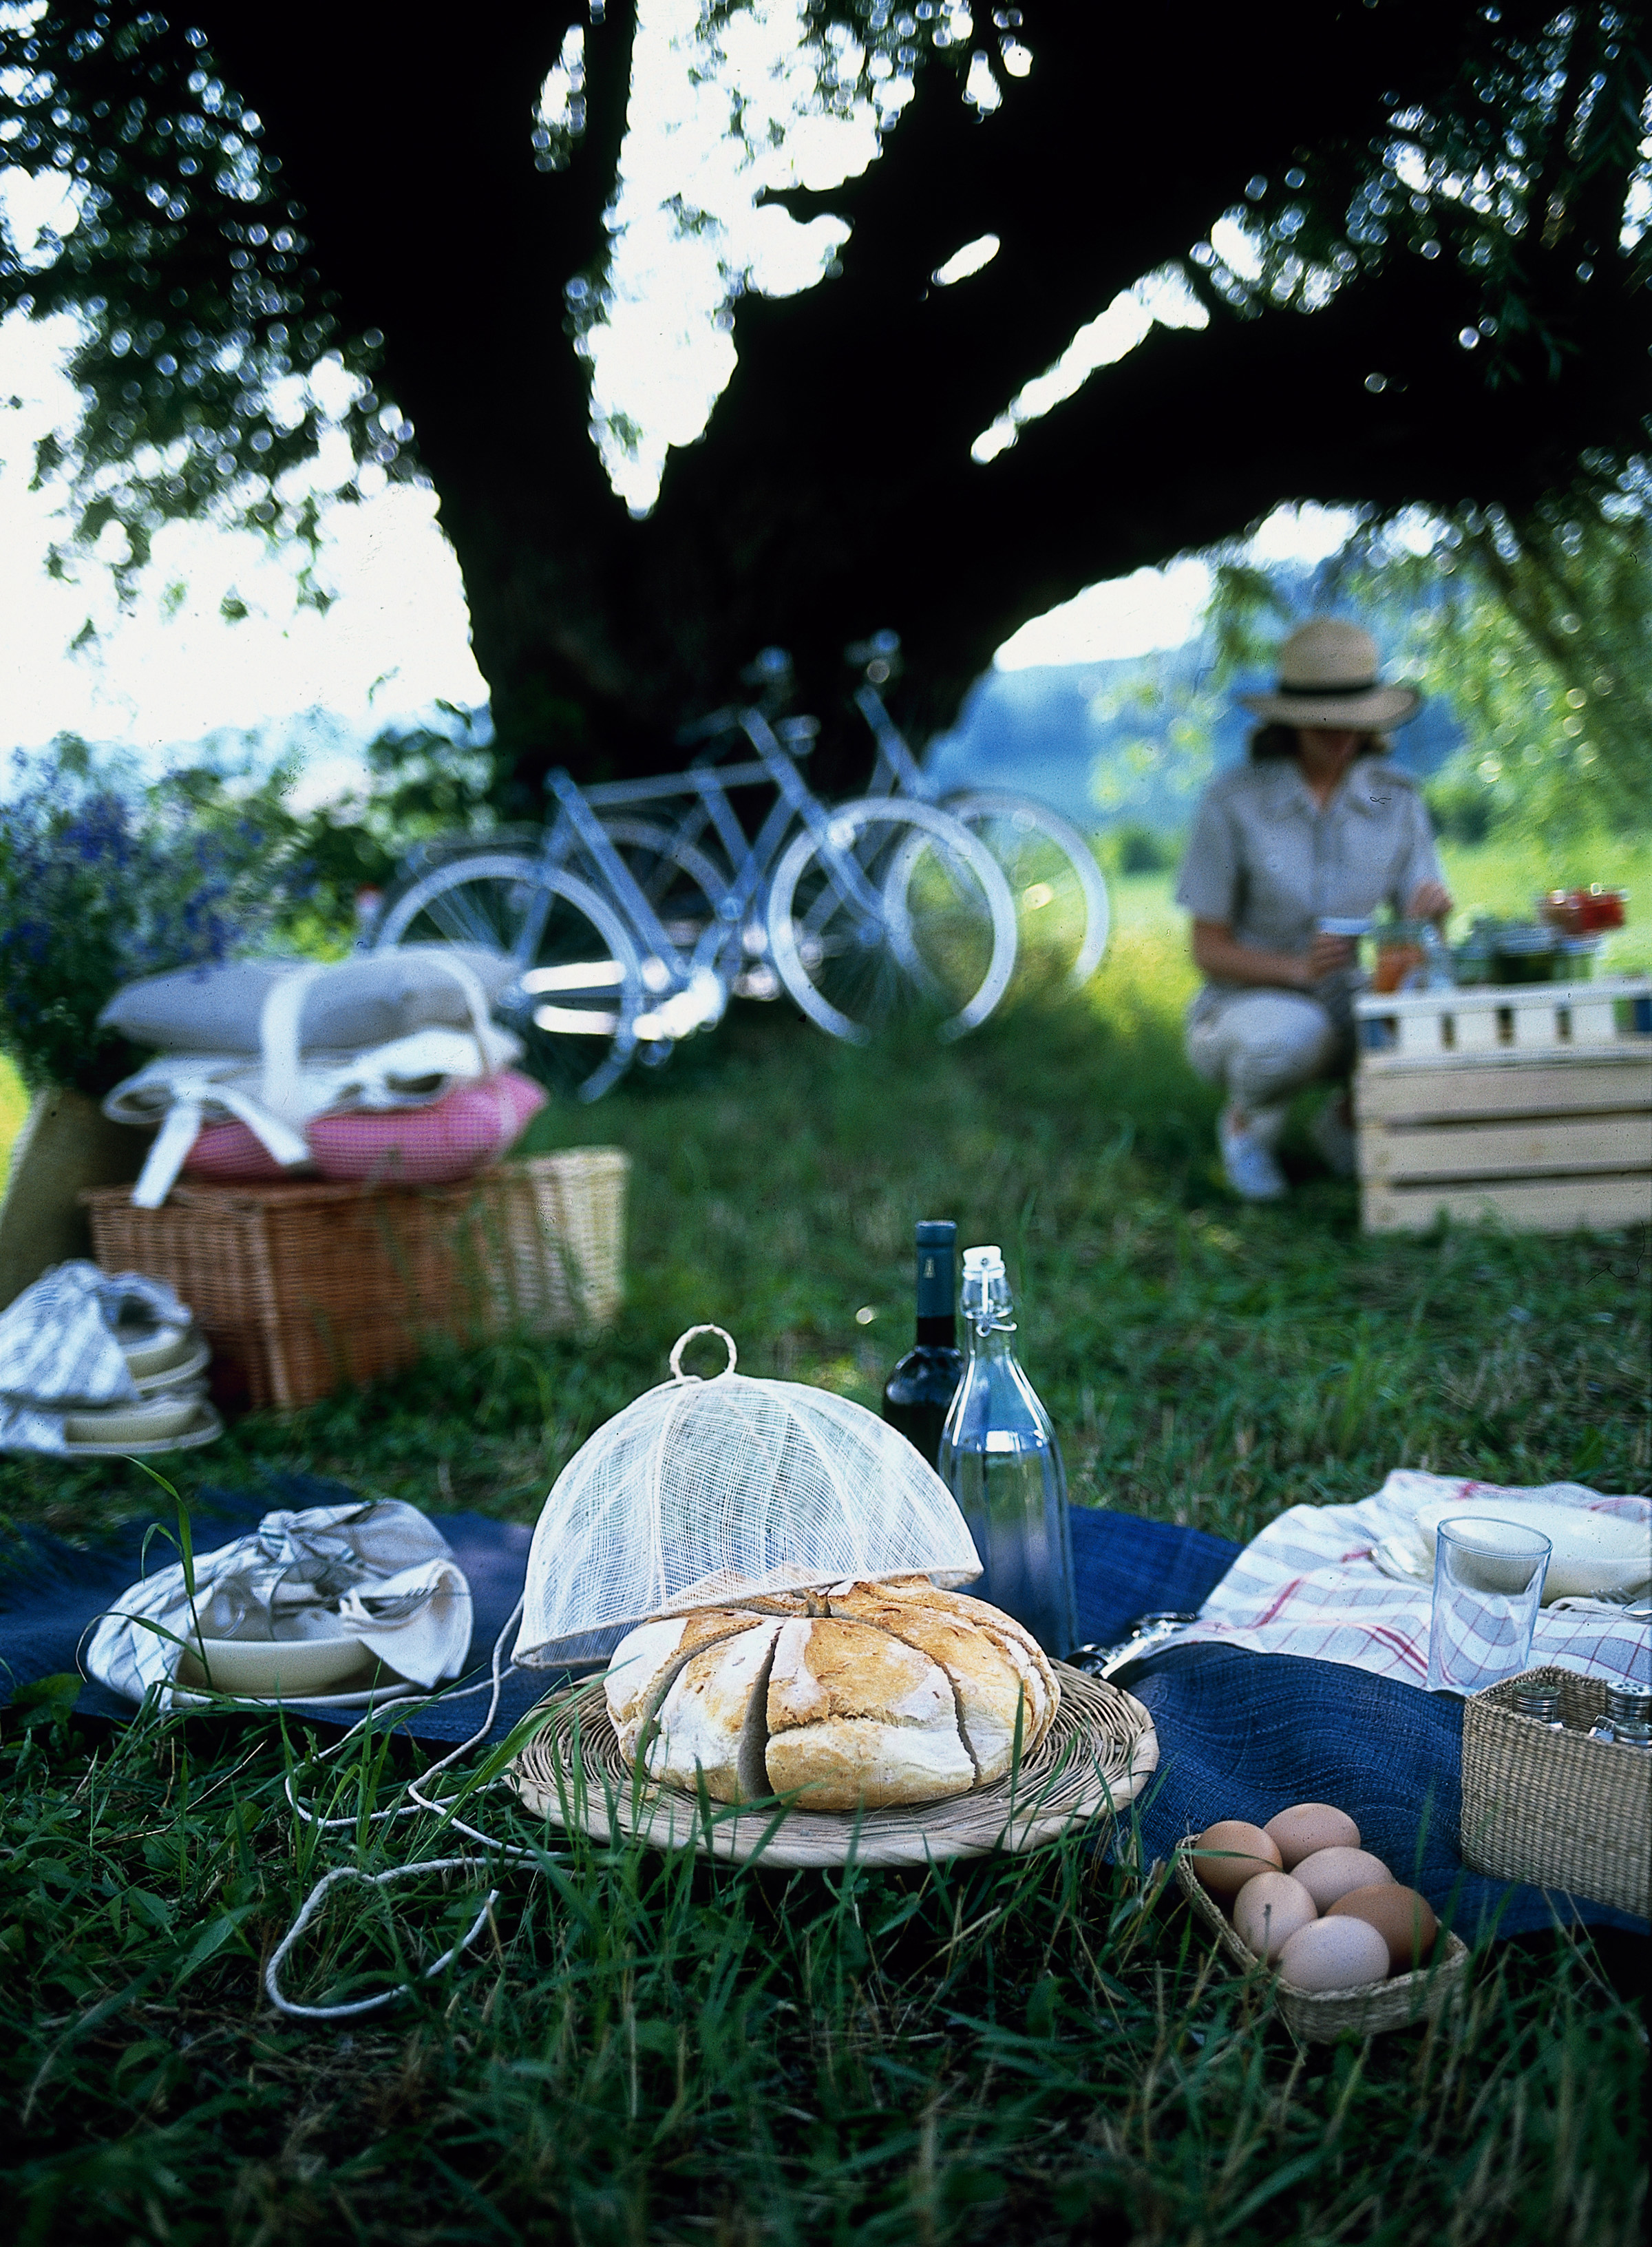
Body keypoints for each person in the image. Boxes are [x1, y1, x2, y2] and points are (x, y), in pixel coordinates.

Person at [1175, 618, 1452, 1201]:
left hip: (1355, 999)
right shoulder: (1233, 802)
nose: (1341, 737)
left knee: (1440, 1007)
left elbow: (1416, 936)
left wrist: (1432, 919)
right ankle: (1247, 1128)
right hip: (1247, 1005)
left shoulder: (1392, 796)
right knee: (1292, 1035)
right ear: (1289, 720)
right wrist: (1300, 970)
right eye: (1325, 723)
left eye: (1354, 720)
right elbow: (1208, 949)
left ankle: (1349, 1120)